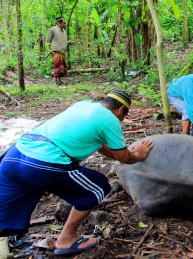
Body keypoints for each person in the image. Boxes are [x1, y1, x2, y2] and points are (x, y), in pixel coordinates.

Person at [0, 90, 154, 255]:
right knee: (98, 187)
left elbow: (102, 147)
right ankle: (67, 237)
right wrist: (138, 155)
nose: (122, 120)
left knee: (6, 212)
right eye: (124, 115)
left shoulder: (83, 105)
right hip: (43, 162)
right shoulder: (110, 120)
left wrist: (124, 153)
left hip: (14, 156)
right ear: (121, 109)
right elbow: (123, 158)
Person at [46, 16, 76, 85]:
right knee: (57, 65)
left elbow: (63, 41)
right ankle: (54, 79)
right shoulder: (52, 30)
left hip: (62, 52)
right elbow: (48, 40)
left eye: (65, 23)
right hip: (56, 51)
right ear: (59, 23)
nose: (65, 25)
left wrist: (70, 43)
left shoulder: (64, 31)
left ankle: (59, 80)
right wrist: (50, 48)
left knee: (61, 67)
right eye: (63, 23)